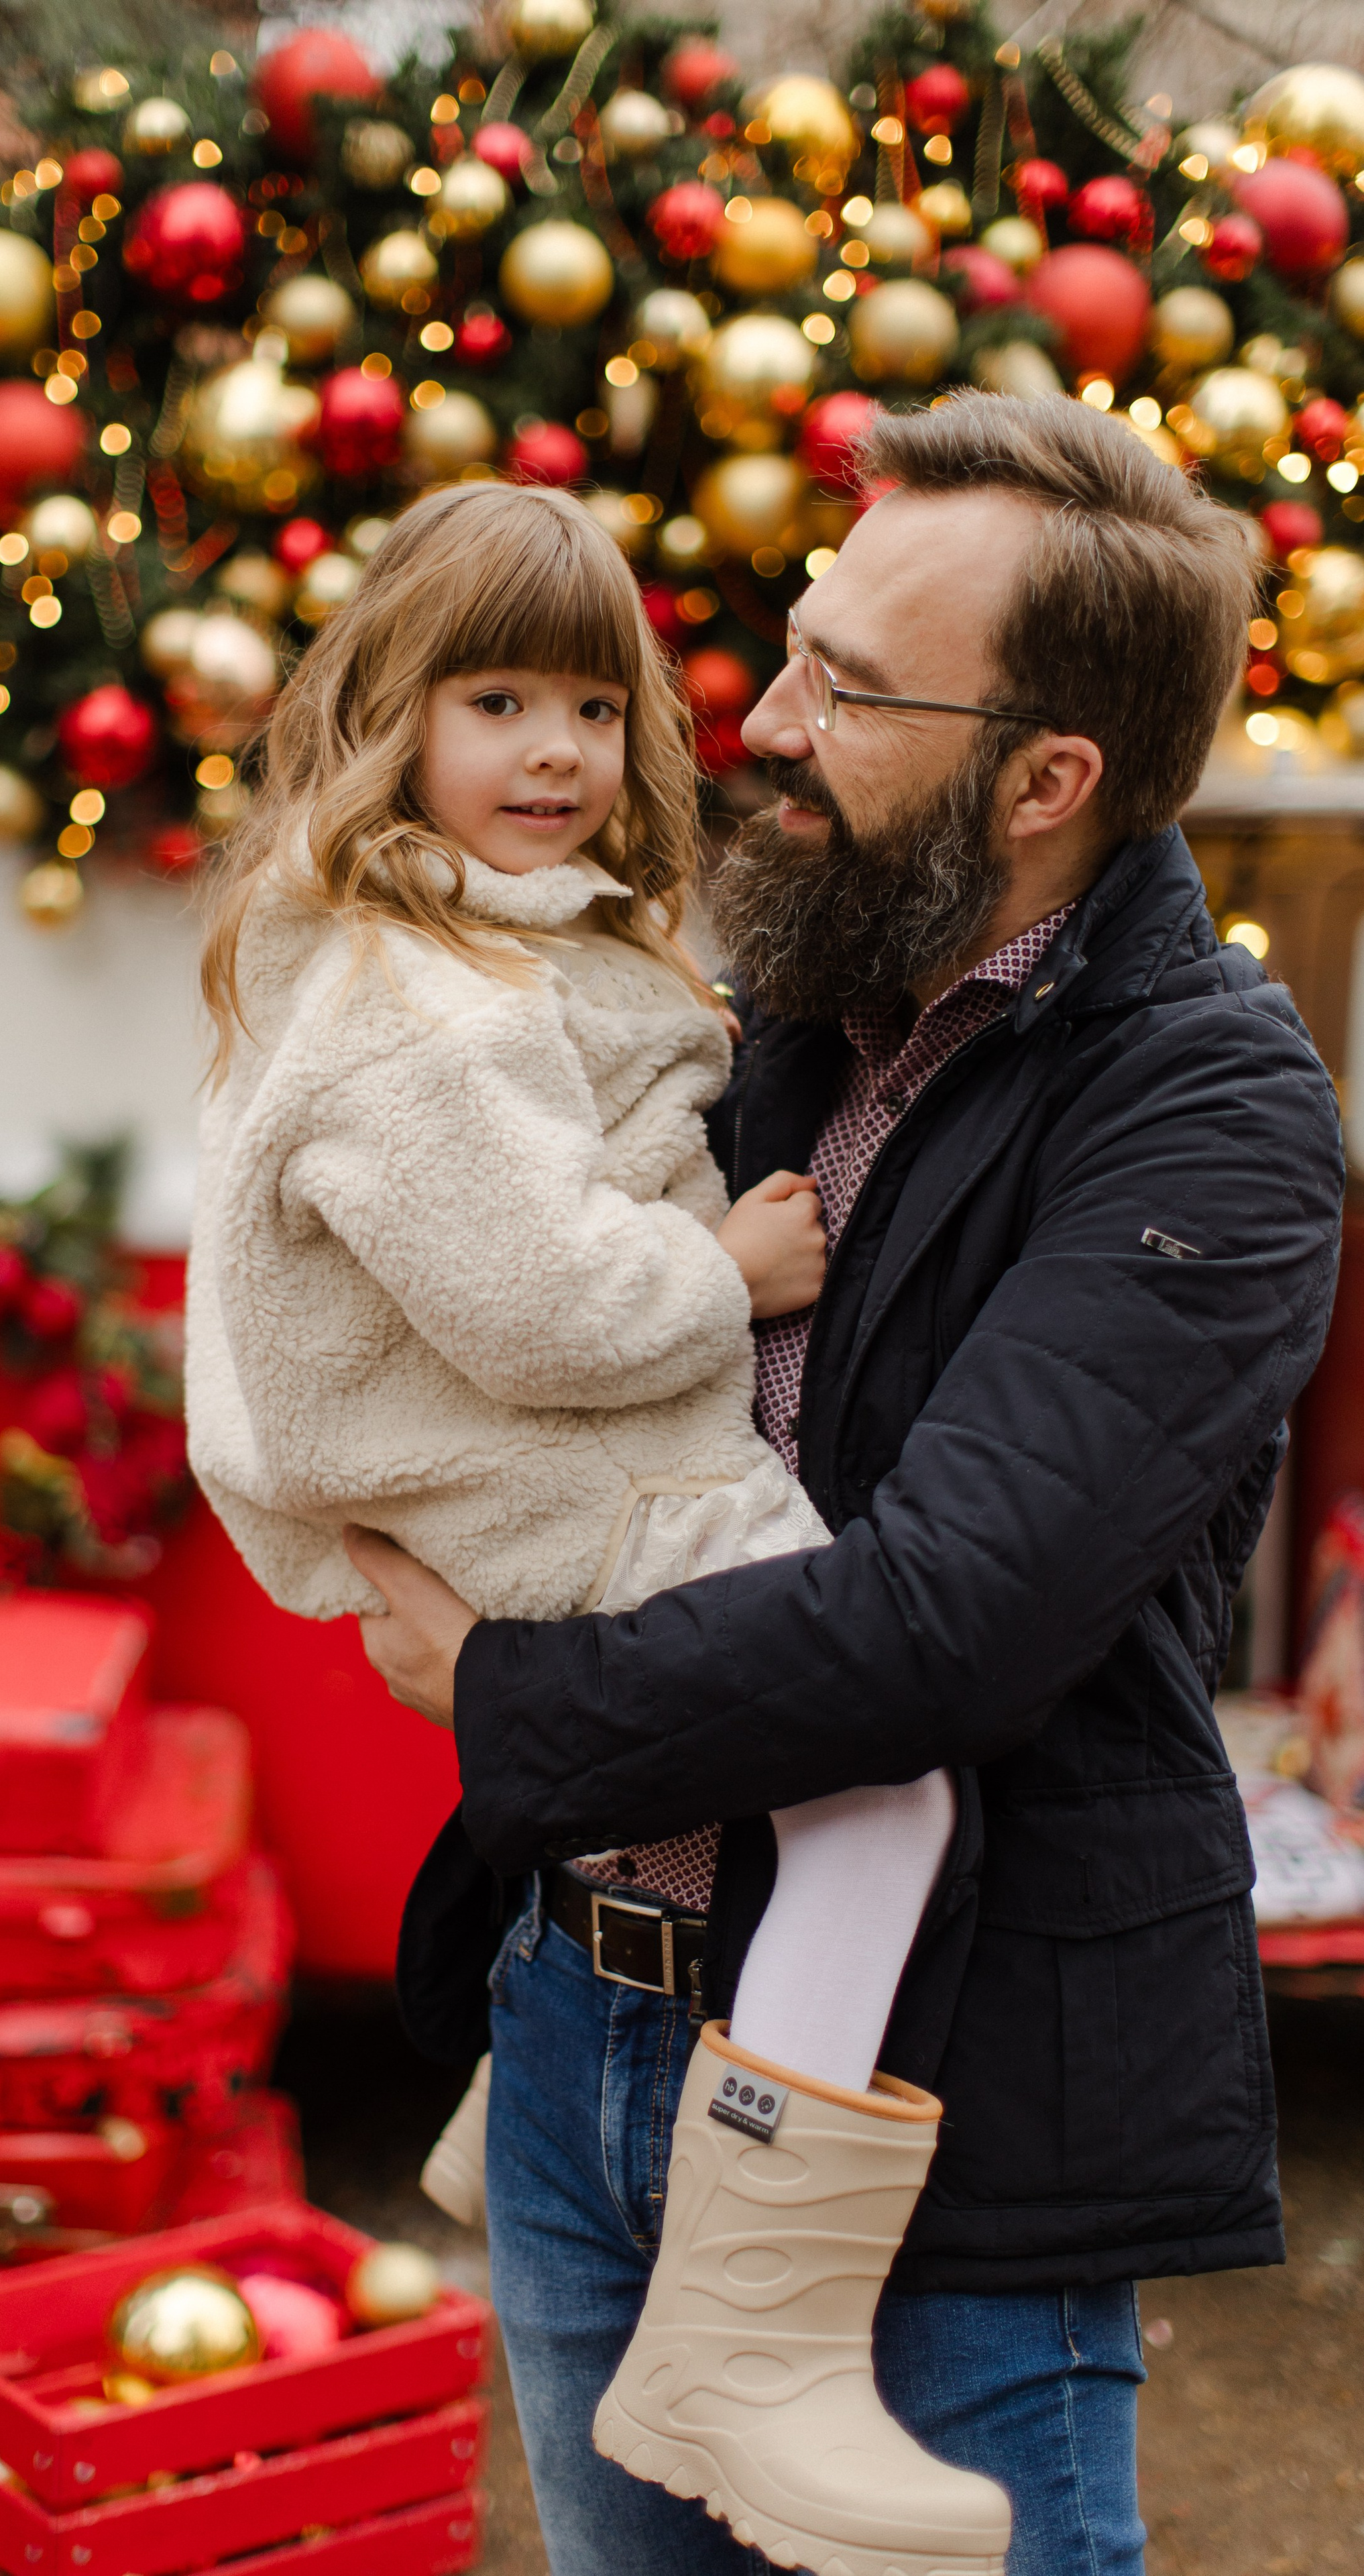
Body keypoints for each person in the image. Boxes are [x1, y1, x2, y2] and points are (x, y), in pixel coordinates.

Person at [349, 393, 1347, 2576]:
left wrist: (507, 1695)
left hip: (939, 2114)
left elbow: (950, 1625)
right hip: (581, 2018)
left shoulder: (1210, 1120)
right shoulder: (774, 1009)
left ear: (1047, 778)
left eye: (847, 686)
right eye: (792, 644)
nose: (765, 719)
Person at [183, 475, 1012, 2570]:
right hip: (543, 1468)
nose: (551, 754)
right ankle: (755, 2332)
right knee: (885, 1786)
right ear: (395, 718)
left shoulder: (478, 949)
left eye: (585, 703)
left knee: (790, 1786)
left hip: (533, 1452)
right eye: (493, 702)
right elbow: (540, 1304)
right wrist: (727, 1275)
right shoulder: (413, 1003)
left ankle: (533, 2128)